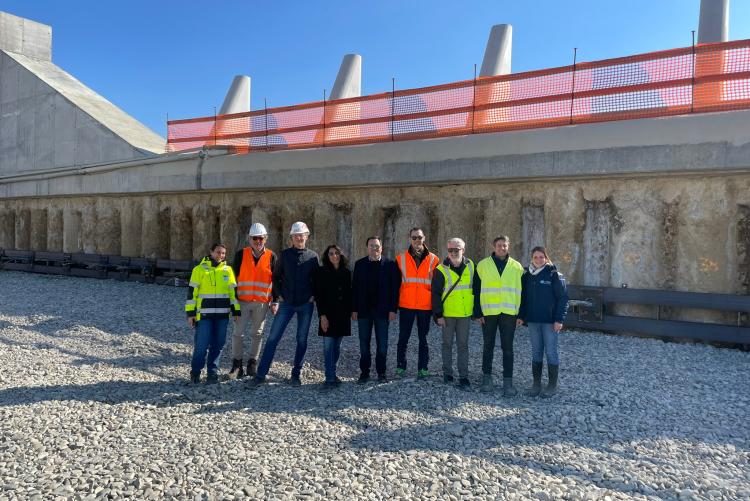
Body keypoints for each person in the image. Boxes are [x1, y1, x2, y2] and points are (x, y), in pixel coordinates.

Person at [253, 222, 319, 386]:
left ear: (307, 236)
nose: (299, 238)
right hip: (287, 303)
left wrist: (313, 296)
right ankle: (261, 374)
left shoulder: (313, 257)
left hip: (305, 304)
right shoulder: (285, 255)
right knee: (273, 338)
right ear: (292, 238)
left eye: (301, 235)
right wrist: (278, 296)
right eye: (296, 235)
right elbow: (276, 277)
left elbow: (317, 279)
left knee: (302, 339)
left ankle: (296, 374)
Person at [473, 235, 524, 396]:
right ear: (493, 247)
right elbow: (476, 290)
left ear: (508, 246)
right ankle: (486, 378)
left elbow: (523, 292)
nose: (502, 248)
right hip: (488, 312)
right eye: (499, 245)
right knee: (488, 346)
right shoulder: (483, 265)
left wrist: (521, 314)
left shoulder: (517, 267)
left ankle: (508, 382)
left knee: (508, 348)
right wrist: (477, 312)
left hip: (509, 313)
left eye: (504, 245)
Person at [185, 243, 241, 384]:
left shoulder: (228, 270)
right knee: (201, 346)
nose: (220, 255)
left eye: (223, 253)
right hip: (204, 316)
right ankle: (195, 372)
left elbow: (233, 293)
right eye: (218, 252)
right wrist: (190, 313)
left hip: (222, 316)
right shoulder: (199, 270)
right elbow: (192, 293)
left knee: (218, 345)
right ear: (211, 252)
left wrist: (236, 310)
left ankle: (212, 373)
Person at [518, 246, 569, 398]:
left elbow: (563, 298)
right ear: (531, 258)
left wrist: (559, 319)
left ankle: (552, 386)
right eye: (535, 257)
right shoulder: (527, 275)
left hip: (550, 322)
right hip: (533, 321)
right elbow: (523, 298)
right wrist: (521, 316)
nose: (538, 259)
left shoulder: (554, 274)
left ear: (546, 258)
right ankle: (536, 385)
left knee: (551, 352)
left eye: (541, 257)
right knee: (536, 352)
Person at [229, 223, 278, 379]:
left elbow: (276, 280)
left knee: (257, 334)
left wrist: (275, 301)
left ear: (266, 239)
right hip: (242, 301)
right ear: (249, 239)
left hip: (261, 302)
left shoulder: (272, 256)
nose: (258, 241)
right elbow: (232, 280)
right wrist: (233, 302)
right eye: (255, 238)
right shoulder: (240, 255)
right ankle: (237, 365)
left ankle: (252, 364)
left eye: (261, 238)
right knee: (238, 333)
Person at [351, 236, 400, 383]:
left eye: (377, 246)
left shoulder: (390, 265)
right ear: (367, 248)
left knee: (382, 345)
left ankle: (381, 373)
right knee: (364, 345)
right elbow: (355, 288)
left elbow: (395, 289)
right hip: (363, 311)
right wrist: (354, 309)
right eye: (371, 245)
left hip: (383, 311)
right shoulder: (359, 264)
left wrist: (393, 309)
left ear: (381, 248)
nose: (374, 248)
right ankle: (364, 373)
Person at [395, 227, 439, 378]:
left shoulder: (434, 259)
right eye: (414, 238)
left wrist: (436, 307)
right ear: (410, 239)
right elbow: (395, 284)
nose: (417, 240)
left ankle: (423, 368)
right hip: (406, 304)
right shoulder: (400, 259)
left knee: (424, 339)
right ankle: (400, 367)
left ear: (424, 238)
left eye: (419, 237)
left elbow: (437, 285)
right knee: (403, 338)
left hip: (425, 306)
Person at [432, 238, 474, 389]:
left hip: (464, 314)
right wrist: (438, 315)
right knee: (447, 345)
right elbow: (435, 294)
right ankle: (448, 374)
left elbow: (475, 288)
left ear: (463, 250)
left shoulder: (471, 266)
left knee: (463, 346)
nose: (453, 252)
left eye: (457, 250)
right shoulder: (440, 269)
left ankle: (464, 376)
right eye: (450, 250)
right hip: (448, 314)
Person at [313, 244, 353, 388]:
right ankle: (329, 378)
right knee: (328, 347)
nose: (334, 256)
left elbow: (350, 294)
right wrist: (322, 316)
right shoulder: (321, 272)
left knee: (337, 347)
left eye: (337, 253)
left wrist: (352, 311)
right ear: (327, 256)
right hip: (327, 314)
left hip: (343, 315)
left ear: (340, 255)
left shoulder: (347, 272)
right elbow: (319, 296)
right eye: (331, 253)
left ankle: (333, 373)